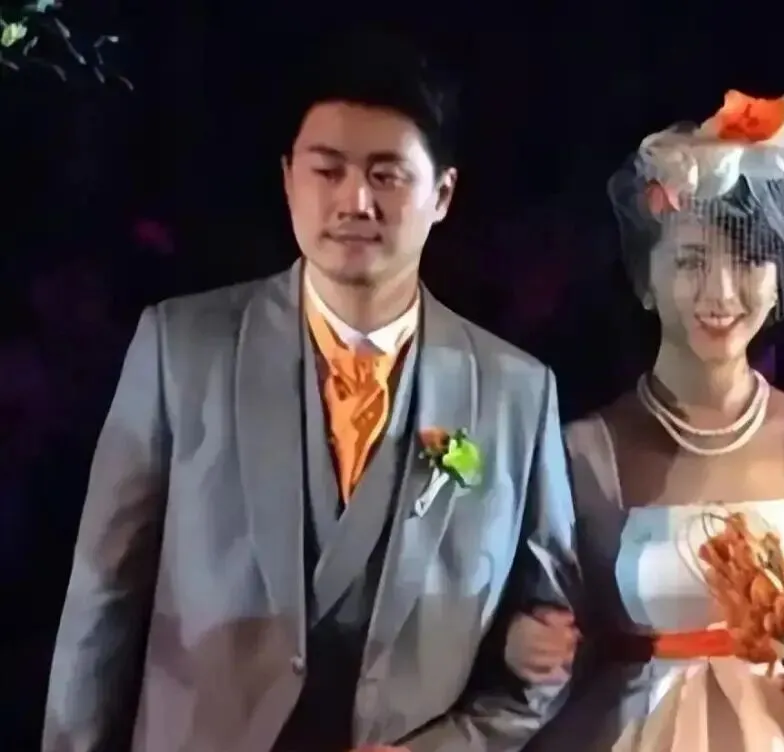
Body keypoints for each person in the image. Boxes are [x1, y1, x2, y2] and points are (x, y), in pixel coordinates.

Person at [43, 29, 578, 752]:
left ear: (443, 194)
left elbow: (549, 648)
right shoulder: (184, 349)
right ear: (289, 179)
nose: (355, 200)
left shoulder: (517, 394)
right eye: (328, 170)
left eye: (388, 176)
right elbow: (102, 599)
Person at [508, 76, 784, 751]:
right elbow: (561, 628)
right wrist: (527, 643)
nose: (721, 292)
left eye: (748, 261)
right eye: (691, 262)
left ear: (777, 278)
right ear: (645, 280)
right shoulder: (585, 451)